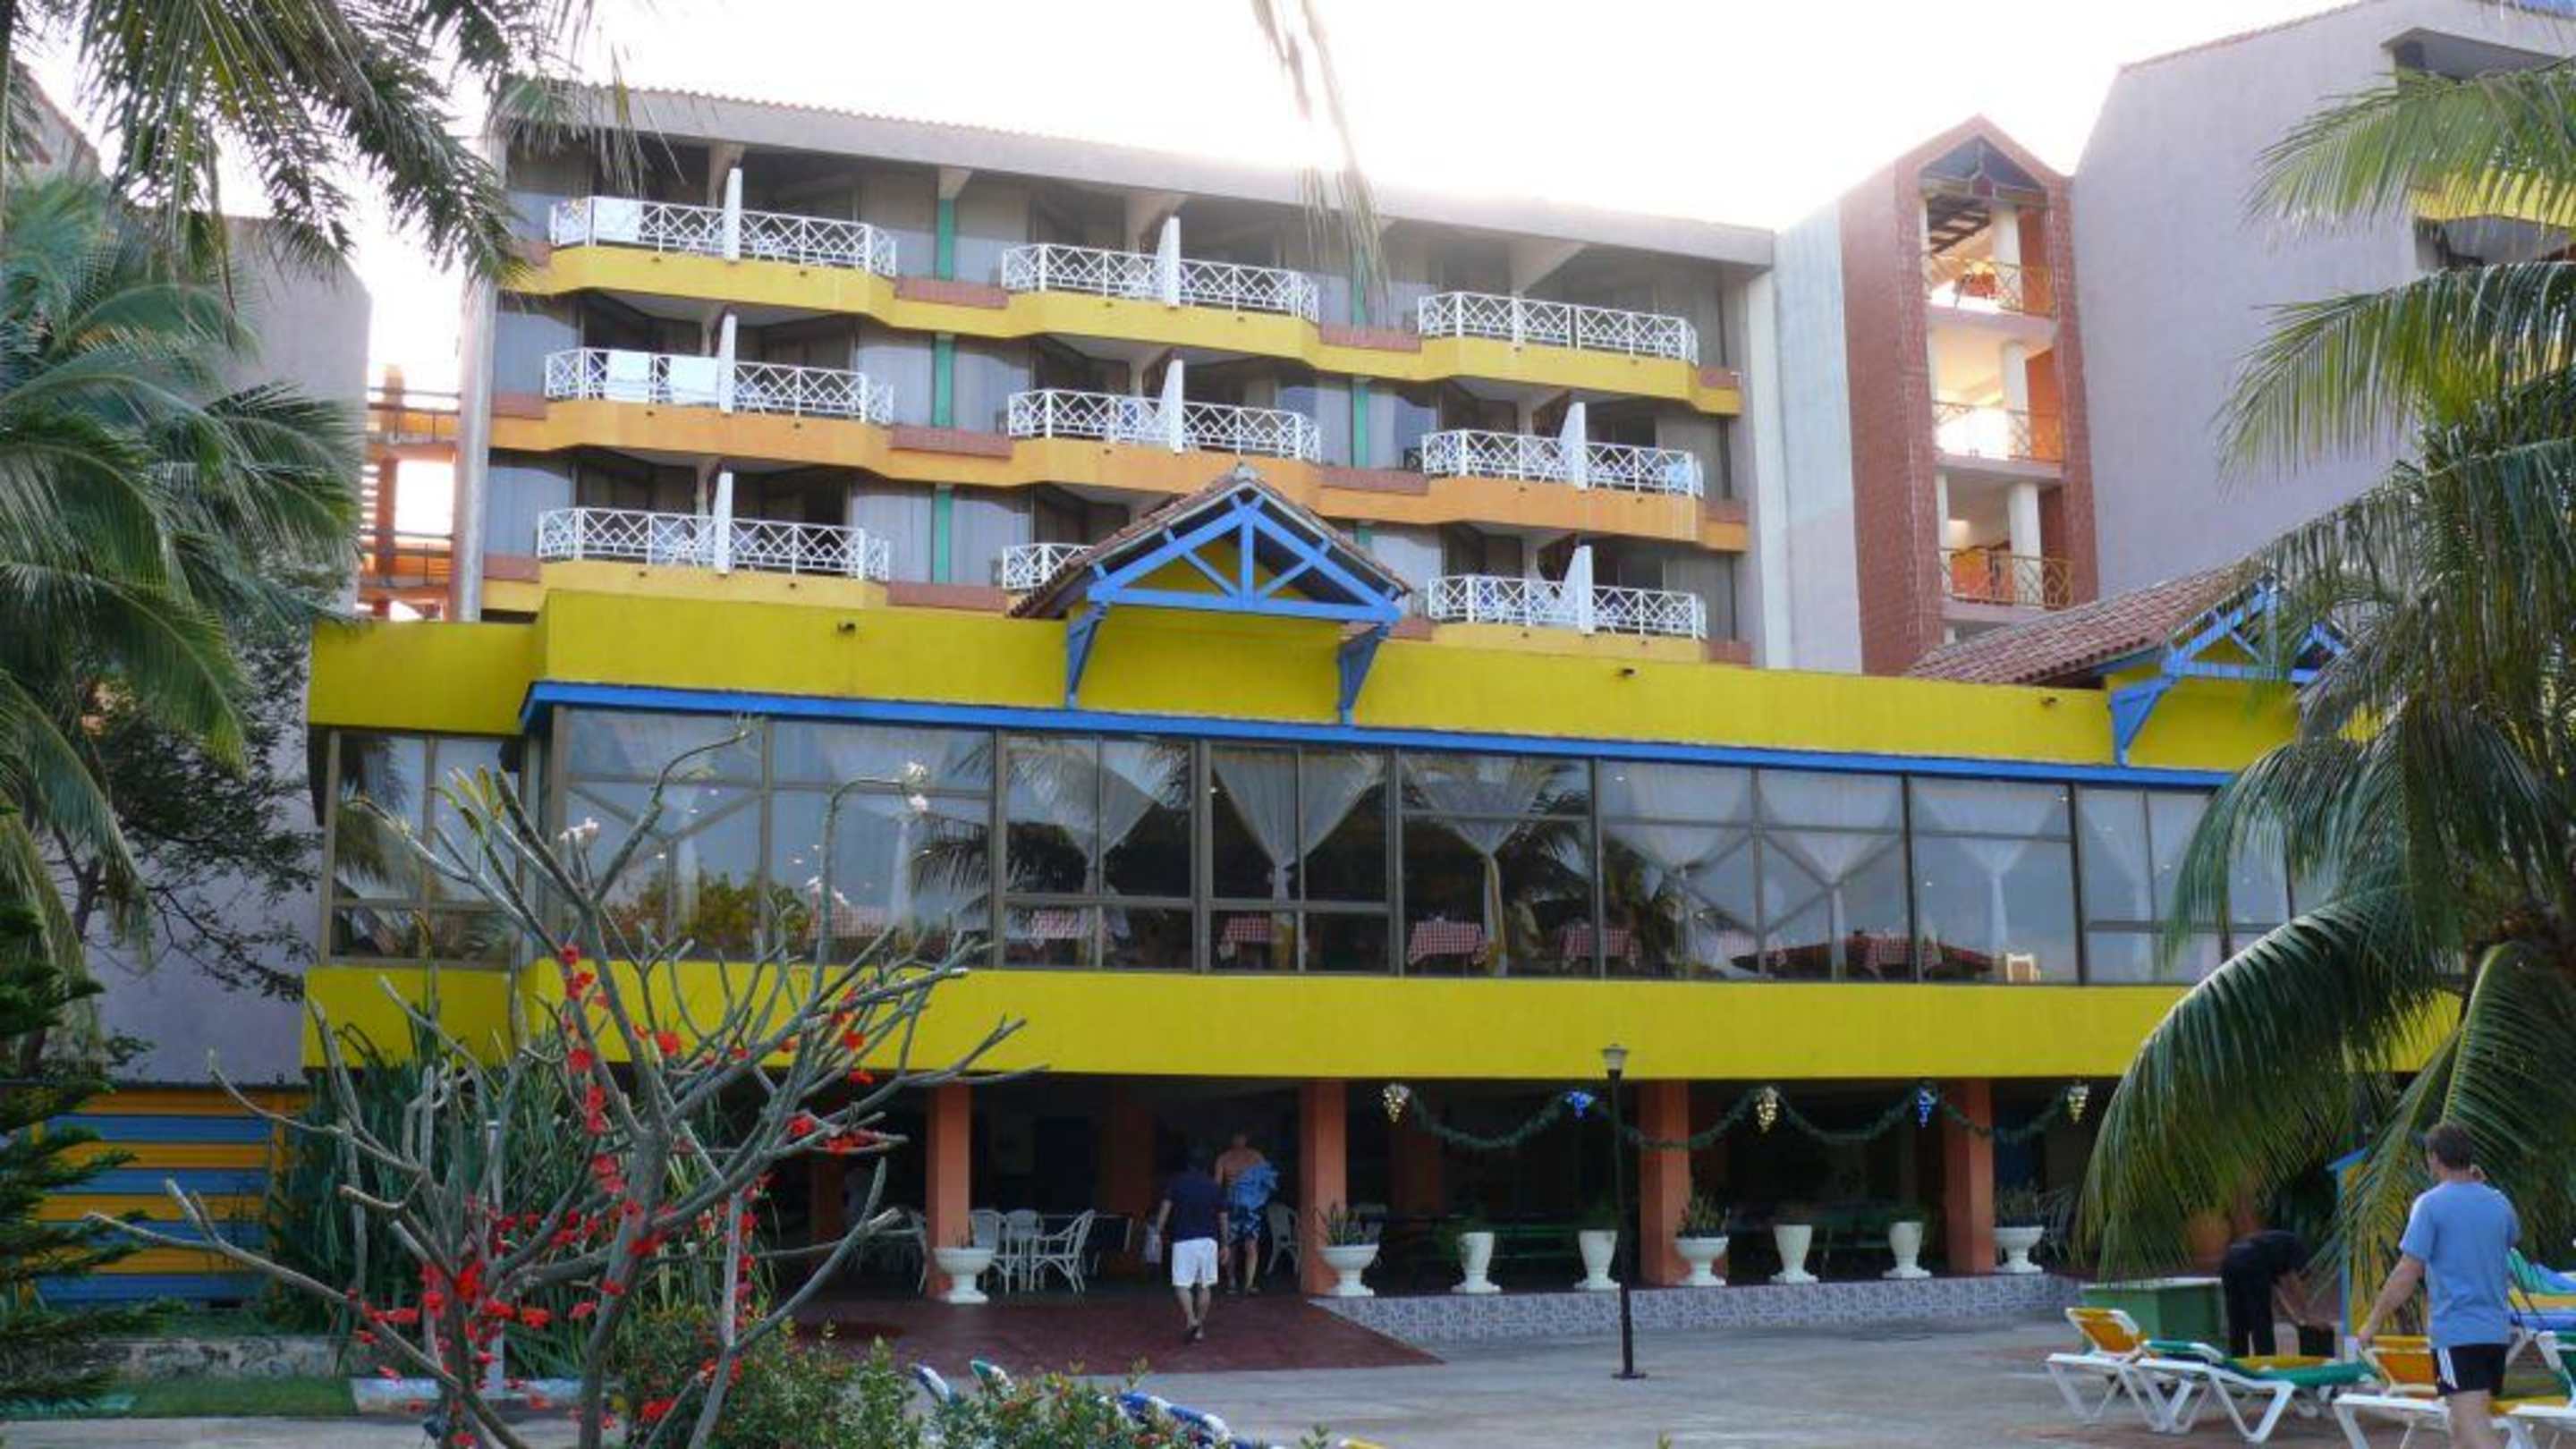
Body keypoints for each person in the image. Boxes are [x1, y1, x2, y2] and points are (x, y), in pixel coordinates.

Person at [2356, 1122, 2521, 1449]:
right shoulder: (2499, 1203)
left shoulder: (2430, 1205)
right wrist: (2481, 1188)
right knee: (2460, 1428)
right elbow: (2509, 1239)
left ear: (2433, 1158)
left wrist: (2373, 1322)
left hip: (2457, 1332)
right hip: (2494, 1332)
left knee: (2472, 1426)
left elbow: (2407, 1271)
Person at [1156, 1149, 1229, 1343]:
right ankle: (1200, 1328)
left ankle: (1191, 1320)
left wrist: (1158, 1231)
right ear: (1207, 1167)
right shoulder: (1214, 1187)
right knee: (1204, 1286)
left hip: (1184, 1241)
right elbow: (1223, 1217)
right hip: (1209, 1241)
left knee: (1182, 1285)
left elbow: (1165, 1210)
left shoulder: (1176, 1183)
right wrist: (1225, 1244)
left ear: (1187, 1165)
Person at [2219, 1227, 2325, 1359]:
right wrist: (2308, 1315)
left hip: (2229, 1259)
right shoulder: (2296, 1248)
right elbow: (2294, 1282)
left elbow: (2277, 1298)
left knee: (2237, 1320)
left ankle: (2238, 1361)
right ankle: (2266, 1361)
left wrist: (2296, 1321)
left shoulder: (2272, 1250)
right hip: (2251, 1260)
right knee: (2261, 1321)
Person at [1215, 1132, 1277, 1294]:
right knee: (1231, 1244)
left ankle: (1249, 1283)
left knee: (1251, 1244)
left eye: (1241, 1136)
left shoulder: (1256, 1156)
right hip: (1232, 1204)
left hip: (1252, 1207)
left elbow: (1268, 1180)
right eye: (1236, 1136)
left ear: (1246, 1138)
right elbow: (1217, 1186)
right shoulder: (1224, 1158)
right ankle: (1231, 1281)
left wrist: (1260, 1197)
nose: (1239, 1140)